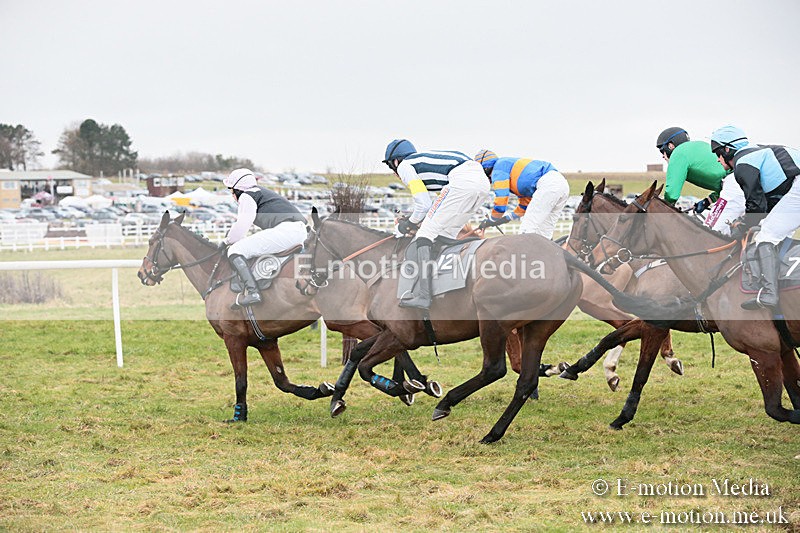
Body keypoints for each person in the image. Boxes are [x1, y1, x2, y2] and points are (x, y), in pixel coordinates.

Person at [383, 139, 490, 310]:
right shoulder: (424, 164)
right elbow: (434, 208)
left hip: (462, 182)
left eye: (391, 167)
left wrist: (407, 225)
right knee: (444, 236)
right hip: (482, 184)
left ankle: (424, 295)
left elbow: (424, 205)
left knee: (424, 236)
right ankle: (448, 287)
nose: (394, 172)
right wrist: (412, 218)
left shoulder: (405, 166)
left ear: (396, 161)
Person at [710, 125, 800, 310]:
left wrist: (742, 227)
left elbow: (757, 207)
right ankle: (785, 286)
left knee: (766, 235)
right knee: (775, 231)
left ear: (728, 149)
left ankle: (769, 293)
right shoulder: (757, 153)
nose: (718, 159)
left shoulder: (743, 165)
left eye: (718, 153)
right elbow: (766, 206)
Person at [222, 168, 308, 308]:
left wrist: (226, 241)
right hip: (300, 231)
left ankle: (252, 292)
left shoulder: (246, 196)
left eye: (231, 191)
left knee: (235, 250)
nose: (232, 196)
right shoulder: (261, 192)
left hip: (287, 231)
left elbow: (242, 225)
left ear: (237, 189)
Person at [656, 127, 743, 235]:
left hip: (734, 185)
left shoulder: (678, 153)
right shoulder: (695, 148)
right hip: (739, 183)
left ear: (670, 146)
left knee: (708, 234)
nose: (662, 156)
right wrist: (707, 201)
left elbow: (672, 194)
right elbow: (723, 186)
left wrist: (661, 214)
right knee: (726, 234)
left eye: (662, 151)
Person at [474, 149, 570, 239]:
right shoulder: (516, 176)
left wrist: (491, 220)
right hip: (562, 184)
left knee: (525, 232)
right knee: (544, 235)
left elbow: (501, 202)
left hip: (548, 185)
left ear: (485, 169)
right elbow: (524, 205)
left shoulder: (498, 169)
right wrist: (505, 219)